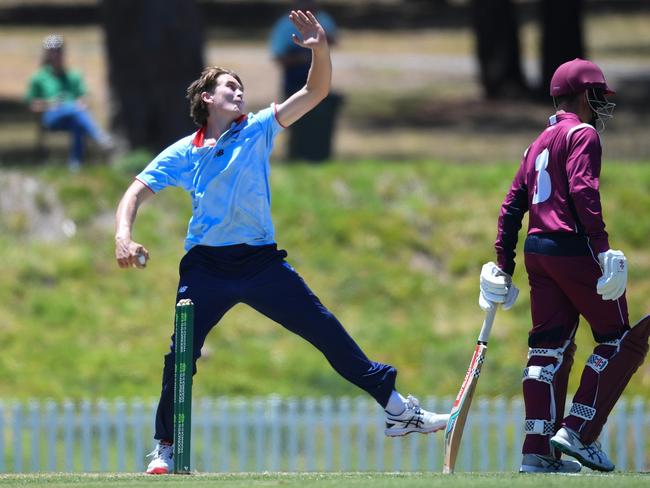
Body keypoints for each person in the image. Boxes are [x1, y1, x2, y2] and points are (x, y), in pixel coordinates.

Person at [114, 11, 448, 475]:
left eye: (240, 86)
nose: (239, 92)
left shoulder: (257, 128)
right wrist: (123, 235)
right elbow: (135, 192)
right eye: (230, 86)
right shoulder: (184, 151)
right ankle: (164, 449)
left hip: (260, 263)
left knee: (325, 329)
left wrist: (319, 49)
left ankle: (396, 410)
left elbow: (316, 92)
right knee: (181, 353)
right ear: (208, 98)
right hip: (206, 268)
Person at [478, 58, 649, 473]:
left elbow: (511, 206)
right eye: (597, 96)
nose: (600, 106)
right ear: (584, 95)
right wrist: (603, 247)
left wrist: (504, 262)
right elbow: (582, 189)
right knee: (618, 340)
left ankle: (537, 451)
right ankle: (579, 432)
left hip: (538, 251)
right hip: (573, 247)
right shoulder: (582, 133)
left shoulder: (537, 141)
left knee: (546, 349)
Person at [25, 34, 112, 171]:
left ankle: (75, 165)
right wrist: (50, 104)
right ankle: (99, 136)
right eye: (52, 51)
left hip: (73, 116)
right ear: (47, 54)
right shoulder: (39, 77)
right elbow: (32, 104)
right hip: (52, 117)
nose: (56, 55)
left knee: (77, 123)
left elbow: (85, 96)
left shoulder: (73, 75)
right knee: (76, 111)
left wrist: (82, 102)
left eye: (58, 51)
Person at [269, 0, 343, 161]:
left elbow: (334, 40)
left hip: (318, 82)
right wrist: (301, 58)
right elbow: (278, 56)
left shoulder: (322, 19)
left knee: (317, 125)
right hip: (294, 83)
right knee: (294, 121)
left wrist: (320, 47)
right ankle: (296, 157)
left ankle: (319, 156)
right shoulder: (284, 25)